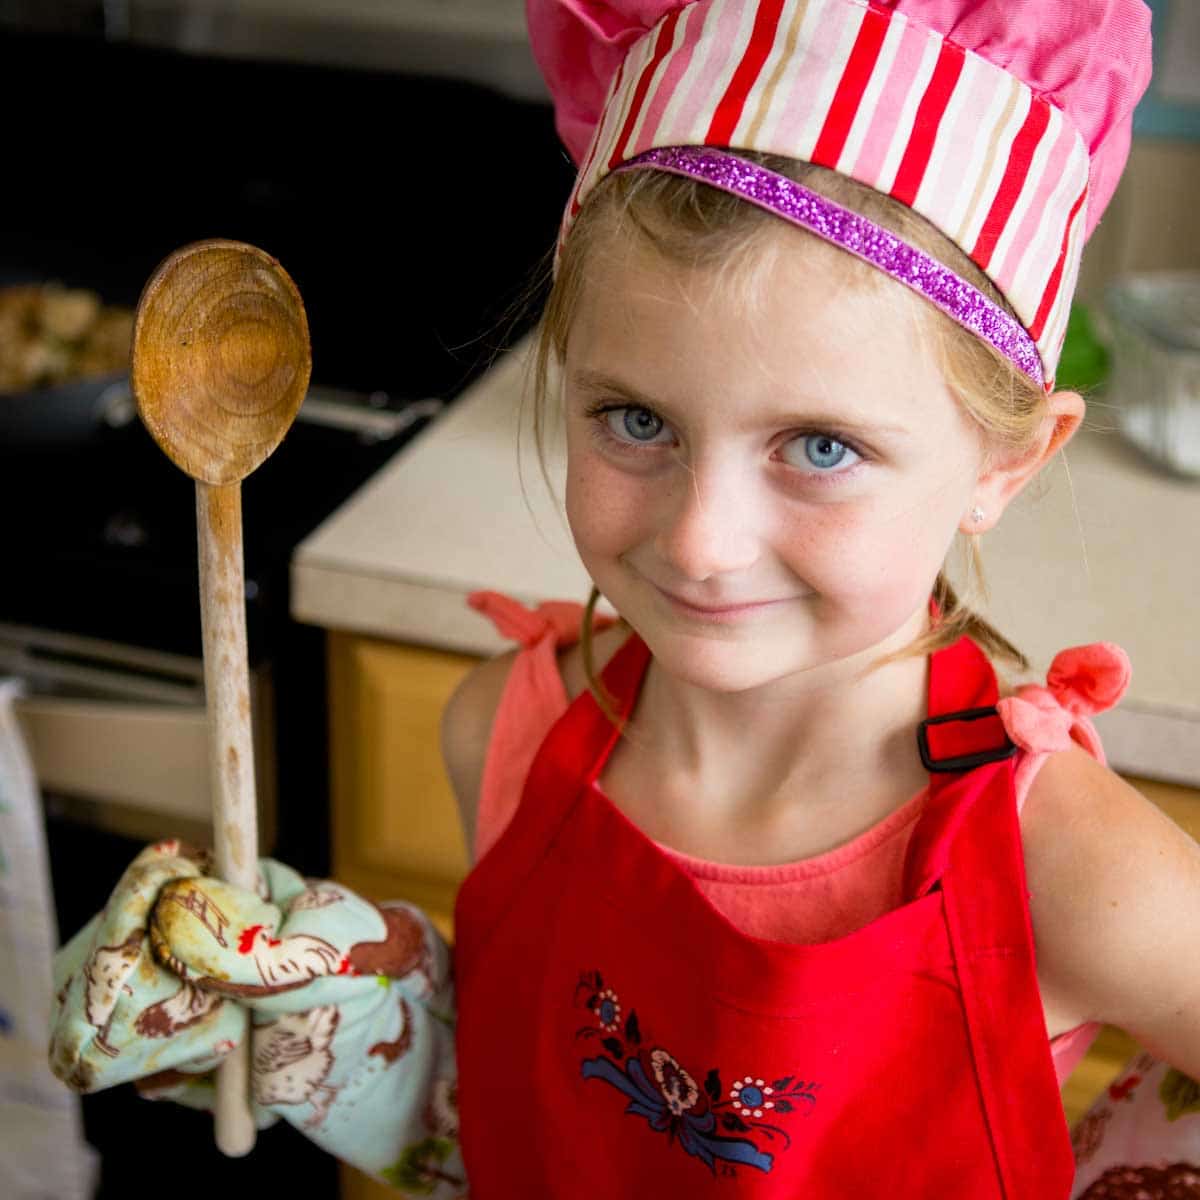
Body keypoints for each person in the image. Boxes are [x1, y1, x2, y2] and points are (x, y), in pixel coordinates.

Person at [47, 1, 1195, 1196]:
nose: (701, 543)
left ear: (1005, 462)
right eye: (636, 421)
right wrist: (347, 1026)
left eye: (819, 447)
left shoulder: (1063, 861)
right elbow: (512, 1122)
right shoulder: (506, 733)